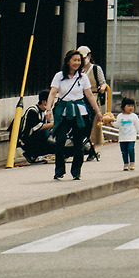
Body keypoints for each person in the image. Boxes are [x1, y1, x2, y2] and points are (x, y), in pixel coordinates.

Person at [47, 49, 104, 180]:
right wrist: (49, 109)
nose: (77, 63)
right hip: (63, 111)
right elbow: (52, 93)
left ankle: (76, 172)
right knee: (60, 140)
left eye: (79, 60)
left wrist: (98, 112)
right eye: (74, 60)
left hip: (79, 112)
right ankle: (59, 171)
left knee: (79, 143)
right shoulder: (59, 76)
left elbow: (89, 95)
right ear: (68, 61)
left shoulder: (83, 77)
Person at [77, 46, 109, 151]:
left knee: (94, 125)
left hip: (93, 97)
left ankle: (93, 148)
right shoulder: (77, 69)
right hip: (79, 98)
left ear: (89, 56)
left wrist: (102, 88)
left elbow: (103, 82)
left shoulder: (96, 69)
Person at [19, 87, 55, 164]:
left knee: (55, 146)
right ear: (44, 102)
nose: (52, 103)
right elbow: (38, 128)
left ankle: (33, 154)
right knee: (45, 133)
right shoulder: (32, 110)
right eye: (51, 101)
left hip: (35, 137)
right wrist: (53, 124)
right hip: (26, 139)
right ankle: (33, 154)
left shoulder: (43, 112)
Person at [115, 97, 139, 171]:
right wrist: (110, 122)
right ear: (123, 106)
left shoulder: (134, 116)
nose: (131, 108)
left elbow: (138, 126)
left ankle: (132, 163)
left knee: (130, 149)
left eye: (132, 106)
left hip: (131, 137)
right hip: (122, 137)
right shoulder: (120, 116)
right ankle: (125, 164)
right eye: (128, 106)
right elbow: (117, 125)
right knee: (124, 151)